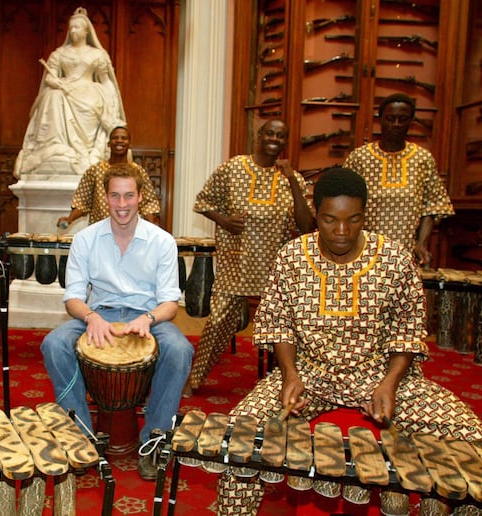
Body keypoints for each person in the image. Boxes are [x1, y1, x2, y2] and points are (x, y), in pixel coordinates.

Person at [215, 167, 482, 515]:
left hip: (379, 376)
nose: (341, 231)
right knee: (238, 439)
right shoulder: (291, 257)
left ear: (365, 214)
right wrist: (290, 376)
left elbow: (407, 329)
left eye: (353, 219)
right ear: (315, 212)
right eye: (329, 220)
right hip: (309, 375)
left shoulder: (395, 258)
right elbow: (279, 325)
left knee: (471, 437)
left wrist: (389, 382)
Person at [41, 163, 193, 481]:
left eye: (128, 196)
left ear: (140, 197)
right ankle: (81, 438)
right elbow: (73, 298)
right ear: (105, 197)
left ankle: (155, 440)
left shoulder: (162, 241)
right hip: (101, 312)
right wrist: (92, 317)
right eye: (115, 196)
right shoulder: (85, 239)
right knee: (54, 343)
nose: (121, 204)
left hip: (148, 315)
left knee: (179, 349)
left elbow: (170, 303)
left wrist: (148, 319)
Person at [186, 119, 313, 392]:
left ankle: (288, 382)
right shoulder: (233, 168)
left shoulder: (292, 179)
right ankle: (193, 380)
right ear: (259, 135)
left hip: (277, 269)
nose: (275, 139)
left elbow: (306, 225)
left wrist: (291, 178)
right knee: (218, 320)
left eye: (281, 135)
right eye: (270, 133)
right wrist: (224, 221)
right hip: (237, 263)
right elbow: (203, 201)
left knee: (287, 327)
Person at [14, 7, 126, 178]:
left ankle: (83, 153)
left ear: (86, 30)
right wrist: (57, 83)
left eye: (77, 27)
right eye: (71, 27)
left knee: (90, 105)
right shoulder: (59, 54)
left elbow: (105, 80)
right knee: (52, 96)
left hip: (89, 93)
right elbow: (49, 78)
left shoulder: (97, 54)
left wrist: (112, 103)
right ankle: (56, 147)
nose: (73, 30)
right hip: (63, 89)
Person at [345, 93, 453, 266]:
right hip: (364, 252)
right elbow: (344, 205)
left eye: (402, 119)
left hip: (406, 253)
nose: (396, 124)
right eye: (390, 118)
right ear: (380, 120)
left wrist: (421, 244)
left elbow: (432, 206)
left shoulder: (422, 159)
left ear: (410, 121)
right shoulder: (359, 158)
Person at [57, 126, 160, 228]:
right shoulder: (95, 170)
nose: (119, 141)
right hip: (100, 232)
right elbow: (82, 201)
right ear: (109, 144)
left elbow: (148, 204)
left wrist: (154, 228)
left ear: (130, 144)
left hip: (130, 231)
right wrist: (69, 219)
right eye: (115, 138)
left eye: (124, 138)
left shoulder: (138, 172)